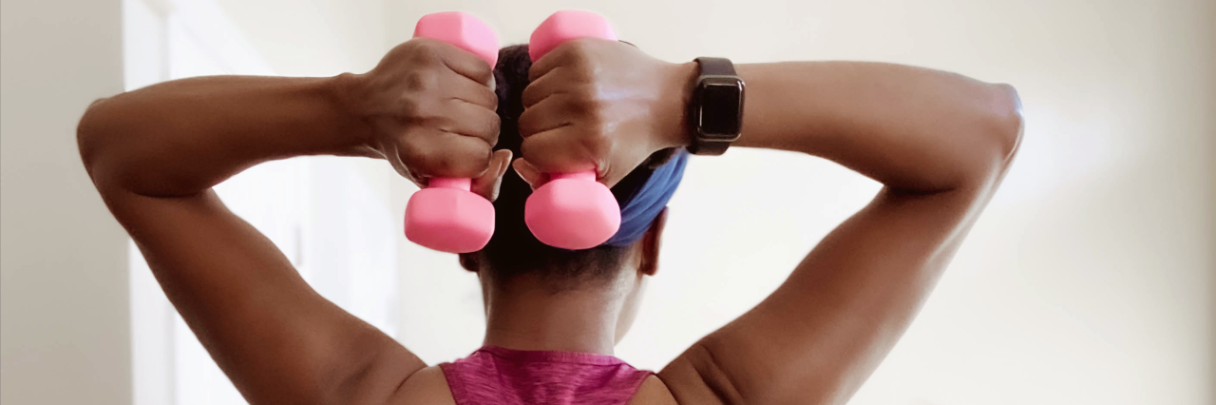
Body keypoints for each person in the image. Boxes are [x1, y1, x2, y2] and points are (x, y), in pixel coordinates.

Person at [77, 34, 1022, 404]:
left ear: (467, 235)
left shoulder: (367, 396)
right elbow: (983, 134)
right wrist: (686, 95)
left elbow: (124, 154)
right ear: (650, 238)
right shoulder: (722, 399)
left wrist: (354, 109)